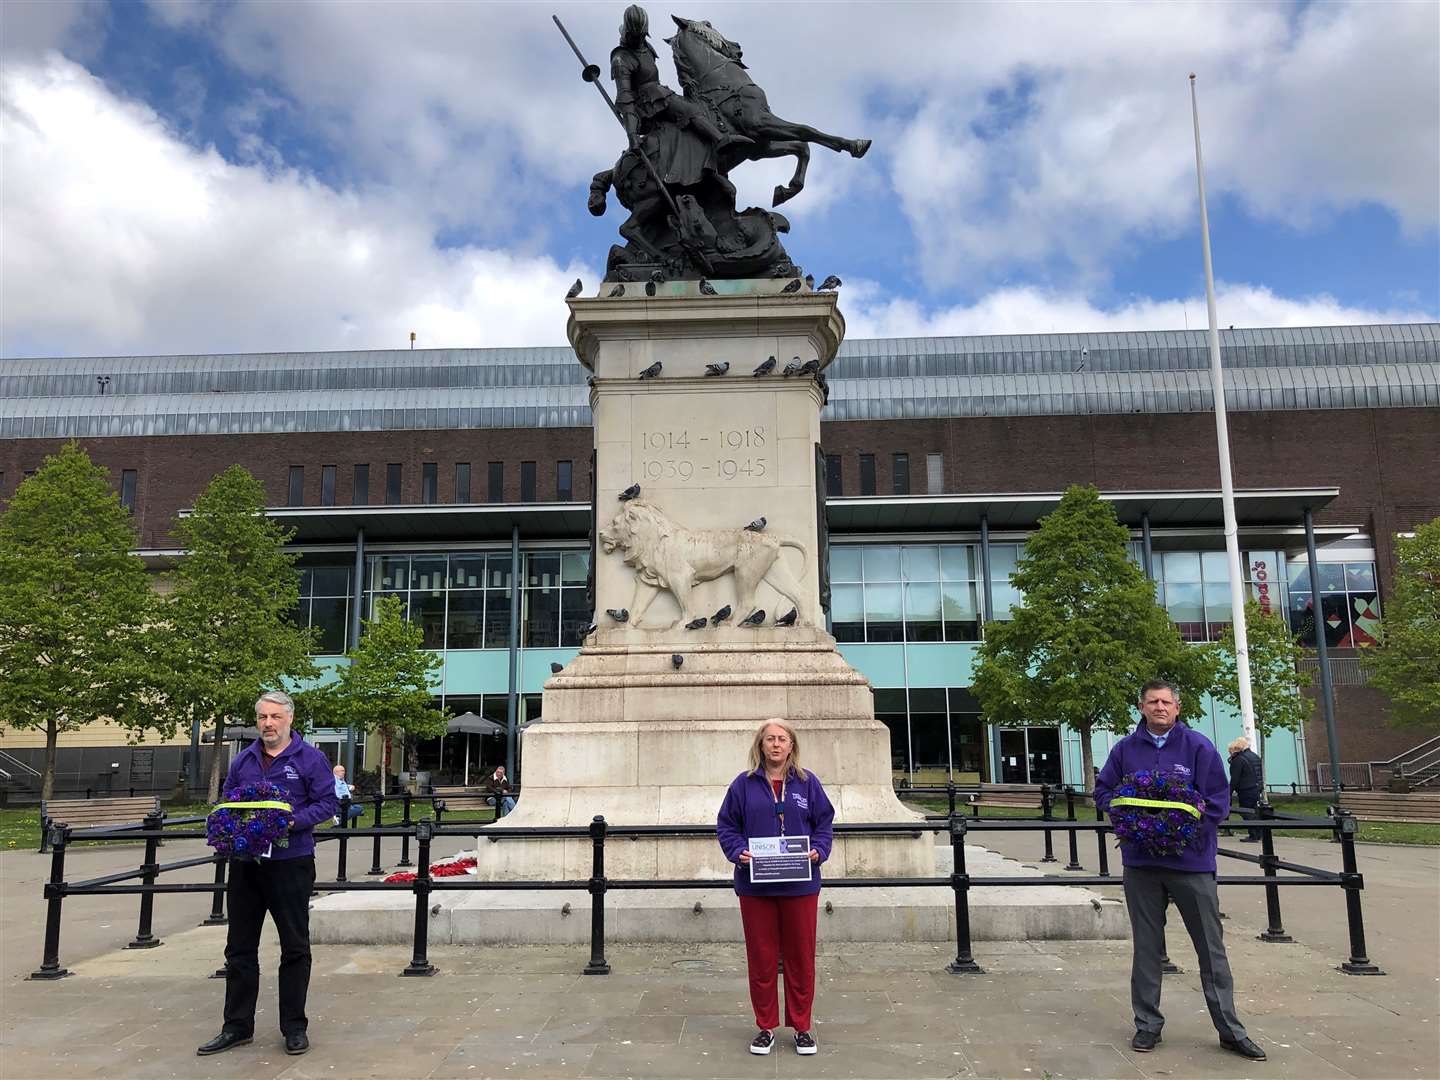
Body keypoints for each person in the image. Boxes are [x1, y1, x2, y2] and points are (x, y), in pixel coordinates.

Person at [1094, 680, 1266, 1062]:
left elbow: (1218, 801)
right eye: (1152, 701)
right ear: (1141, 707)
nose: (1159, 707)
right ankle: (1147, 1025)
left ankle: (1230, 1030)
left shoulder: (1198, 747)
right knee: (1147, 949)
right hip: (1141, 865)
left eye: (1166, 702)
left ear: (1177, 707)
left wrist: (1182, 834)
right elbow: (1104, 791)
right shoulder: (1124, 749)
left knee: (1210, 948)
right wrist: (1129, 819)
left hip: (1191, 864)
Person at [197, 691, 338, 1058]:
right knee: (240, 947)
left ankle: (294, 1027)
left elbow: (327, 803)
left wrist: (292, 822)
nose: (268, 724)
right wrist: (228, 824)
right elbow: (227, 800)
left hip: (291, 863)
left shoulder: (311, 759)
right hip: (246, 864)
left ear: (290, 719)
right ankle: (237, 1026)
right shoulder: (243, 760)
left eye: (275, 717)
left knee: (294, 946)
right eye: (262, 717)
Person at [716, 719, 834, 1057]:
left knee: (800, 958)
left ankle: (802, 1027)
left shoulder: (808, 784)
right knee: (762, 958)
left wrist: (819, 851)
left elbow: (824, 823)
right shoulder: (743, 784)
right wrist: (737, 851)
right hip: (757, 887)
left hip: (800, 884)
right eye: (770, 739)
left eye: (782, 739)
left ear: (791, 745)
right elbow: (727, 825)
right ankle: (765, 1026)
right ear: (761, 745)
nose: (776, 745)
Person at [1227, 737, 1265, 843]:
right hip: (1256, 787)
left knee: (1246, 811)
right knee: (1254, 811)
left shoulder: (1239, 760)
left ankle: (1253, 834)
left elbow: (1235, 778)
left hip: (1245, 789)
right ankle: (1259, 833)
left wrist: (1228, 792)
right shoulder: (1255, 757)